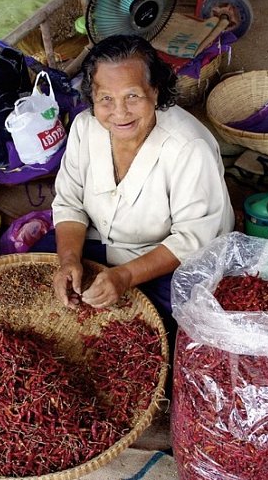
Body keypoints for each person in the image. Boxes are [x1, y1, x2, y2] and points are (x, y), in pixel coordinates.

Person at [31, 34, 234, 340]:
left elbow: (193, 240)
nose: (120, 112)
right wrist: (69, 260)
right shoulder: (85, 128)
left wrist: (125, 276)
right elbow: (70, 202)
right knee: (37, 282)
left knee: (160, 333)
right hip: (98, 240)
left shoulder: (188, 147)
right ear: (92, 98)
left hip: (165, 258)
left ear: (155, 91)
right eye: (106, 99)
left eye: (133, 96)